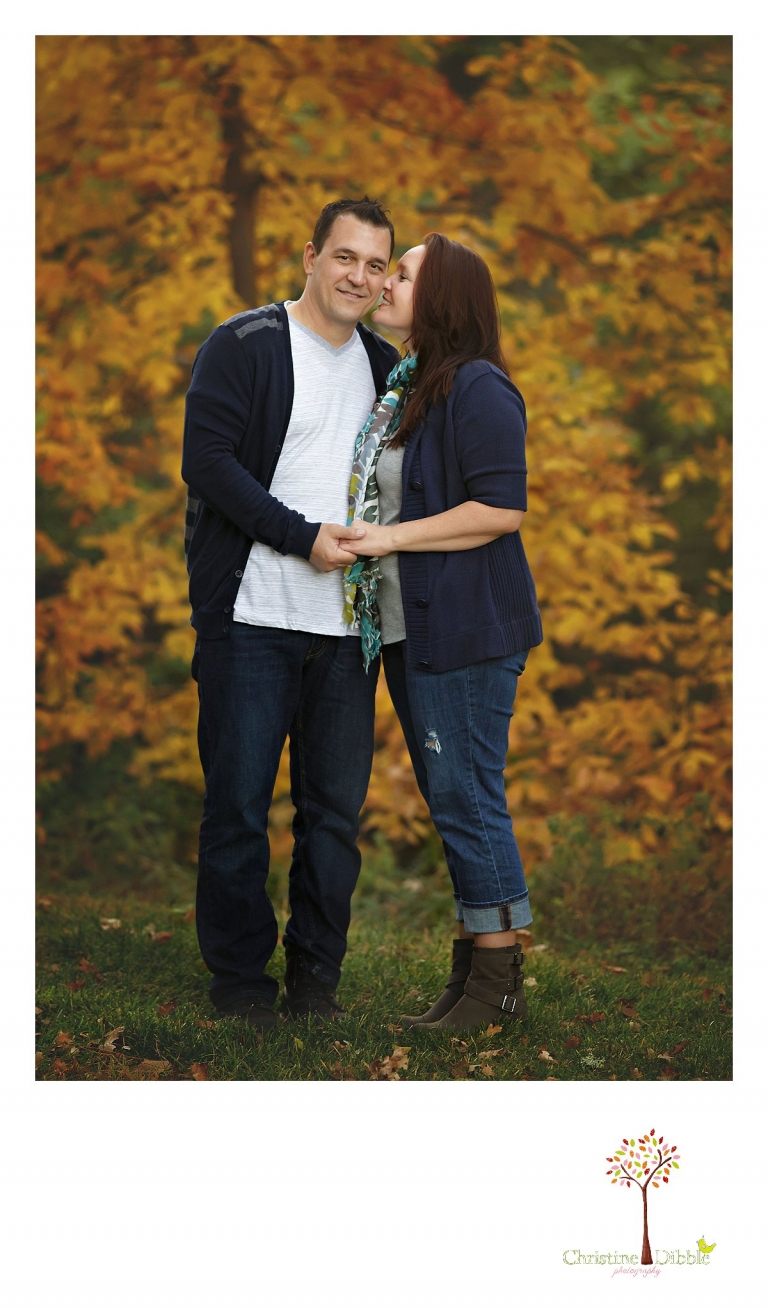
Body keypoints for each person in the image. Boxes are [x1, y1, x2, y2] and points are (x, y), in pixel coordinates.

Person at [181, 198, 400, 1029]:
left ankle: (315, 985)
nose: (359, 276)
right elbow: (206, 462)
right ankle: (240, 989)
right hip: (250, 617)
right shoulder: (244, 345)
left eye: (376, 265)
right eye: (345, 257)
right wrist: (301, 537)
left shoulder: (386, 367)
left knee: (334, 820)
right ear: (311, 256)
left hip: (348, 631)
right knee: (237, 806)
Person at [340, 233, 544, 1032]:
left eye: (404, 272)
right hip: (411, 628)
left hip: (468, 627)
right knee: (450, 794)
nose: (386, 282)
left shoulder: (479, 387)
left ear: (445, 297)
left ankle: (496, 989)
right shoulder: (412, 386)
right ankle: (472, 978)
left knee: (467, 796)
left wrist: (386, 539)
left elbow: (500, 510)